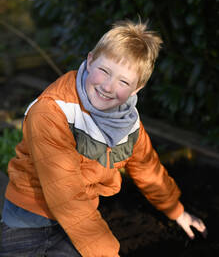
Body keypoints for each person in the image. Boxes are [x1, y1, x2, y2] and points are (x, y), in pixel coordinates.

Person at [0, 20, 207, 257]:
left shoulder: (127, 122)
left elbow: (147, 168)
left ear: (137, 89)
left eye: (124, 82)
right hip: (29, 219)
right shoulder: (52, 112)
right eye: (105, 71)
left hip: (78, 222)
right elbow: (67, 196)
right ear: (89, 61)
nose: (108, 87)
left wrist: (176, 211)